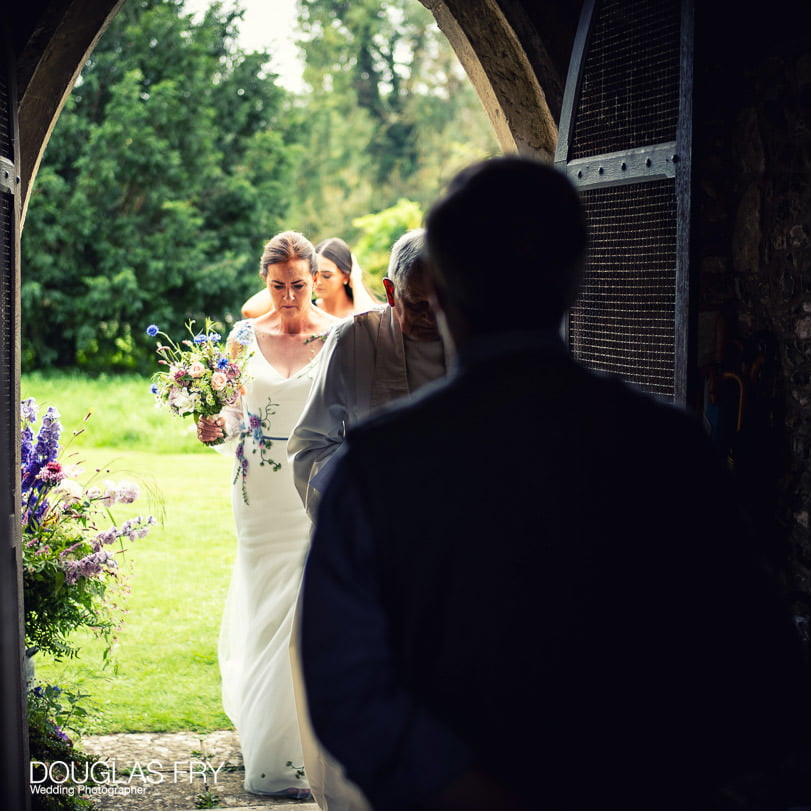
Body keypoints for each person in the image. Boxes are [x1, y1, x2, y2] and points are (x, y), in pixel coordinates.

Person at [298, 157, 811, 810]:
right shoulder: (670, 447)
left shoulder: (374, 465)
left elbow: (343, 684)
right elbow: (756, 666)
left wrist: (460, 788)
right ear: (576, 285)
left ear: (444, 292)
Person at [197, 230, 338, 799]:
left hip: (311, 490)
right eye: (278, 286)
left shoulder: (338, 337)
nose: (288, 297)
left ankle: (296, 750)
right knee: (263, 607)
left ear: (316, 282)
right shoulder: (241, 339)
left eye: (299, 286)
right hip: (256, 493)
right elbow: (230, 415)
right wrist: (212, 428)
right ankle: (264, 741)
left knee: (301, 612)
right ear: (266, 281)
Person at [289, 228, 452, 519]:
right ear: (390, 291)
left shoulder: (479, 338)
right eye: (417, 303)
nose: (432, 316)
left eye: (443, 302)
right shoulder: (355, 339)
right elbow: (311, 444)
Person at [241, 237, 378, 319]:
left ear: (345, 276)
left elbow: (372, 323)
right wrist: (287, 279)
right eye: (314, 273)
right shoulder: (305, 308)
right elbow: (250, 311)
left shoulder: (359, 310)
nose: (318, 281)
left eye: (327, 275)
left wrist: (356, 279)